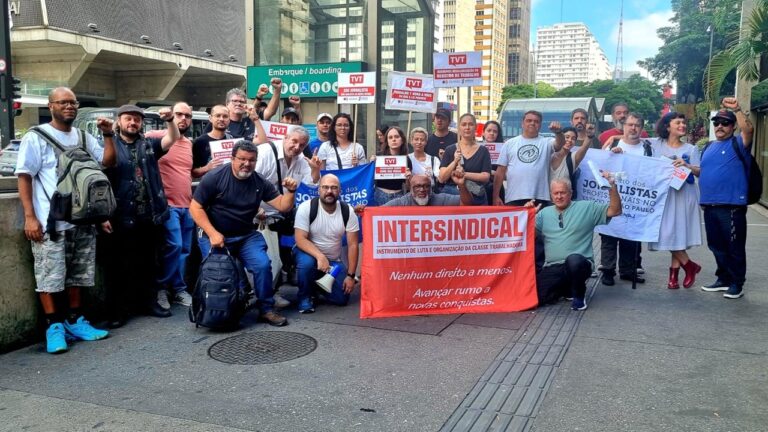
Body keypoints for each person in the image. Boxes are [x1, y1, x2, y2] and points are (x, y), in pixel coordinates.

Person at [15, 87, 115, 353]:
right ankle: (54, 326)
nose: (69, 106)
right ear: (51, 106)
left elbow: (106, 162)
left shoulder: (82, 136)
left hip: (82, 220)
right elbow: (24, 176)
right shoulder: (36, 137)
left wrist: (107, 135)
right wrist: (30, 217)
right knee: (49, 276)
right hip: (51, 223)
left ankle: (75, 320)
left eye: (73, 102)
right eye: (63, 102)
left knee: (78, 276)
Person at [191, 140, 299, 326]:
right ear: (232, 158)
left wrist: (290, 191)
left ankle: (266, 308)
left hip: (245, 235)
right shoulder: (215, 177)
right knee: (218, 273)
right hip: (215, 235)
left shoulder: (259, 181)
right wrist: (213, 233)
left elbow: (283, 206)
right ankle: (218, 308)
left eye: (251, 160)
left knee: (263, 265)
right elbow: (195, 208)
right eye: (242, 159)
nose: (247, 164)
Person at [101, 105, 180, 327]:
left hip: (149, 215)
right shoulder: (110, 144)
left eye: (137, 120)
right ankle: (118, 310)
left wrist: (170, 120)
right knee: (118, 267)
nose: (133, 123)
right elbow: (102, 176)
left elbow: (171, 138)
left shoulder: (149, 144)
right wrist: (103, 215)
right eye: (128, 119)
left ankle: (149, 303)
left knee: (149, 263)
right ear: (119, 121)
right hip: (121, 215)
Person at [534, 175, 623, 311]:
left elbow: (615, 211)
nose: (559, 196)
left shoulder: (587, 207)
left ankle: (579, 297)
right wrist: (527, 214)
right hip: (553, 267)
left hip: (580, 264)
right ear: (551, 195)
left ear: (571, 193)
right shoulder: (543, 214)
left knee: (574, 260)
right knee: (534, 299)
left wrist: (612, 186)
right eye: (555, 193)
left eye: (562, 192)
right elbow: (529, 236)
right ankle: (566, 289)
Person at [699, 97, 754, 299]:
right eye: (717, 123)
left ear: (732, 127)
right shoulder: (708, 147)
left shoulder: (739, 142)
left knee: (734, 247)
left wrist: (738, 110)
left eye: (725, 123)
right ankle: (723, 278)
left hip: (731, 206)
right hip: (710, 206)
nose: (720, 126)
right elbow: (705, 171)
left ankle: (736, 283)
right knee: (716, 246)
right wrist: (688, 168)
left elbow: (748, 130)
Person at [145, 102, 196, 310]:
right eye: (179, 114)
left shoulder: (189, 144)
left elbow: (186, 173)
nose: (183, 119)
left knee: (183, 250)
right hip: (168, 205)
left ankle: (178, 289)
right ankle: (162, 288)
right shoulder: (154, 137)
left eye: (187, 115)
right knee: (173, 246)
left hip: (187, 204)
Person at [648, 112, 702, 289]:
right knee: (665, 233)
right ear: (667, 126)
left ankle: (673, 276)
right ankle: (689, 266)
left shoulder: (691, 149)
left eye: (684, 122)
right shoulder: (656, 145)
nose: (682, 125)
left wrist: (686, 165)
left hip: (684, 194)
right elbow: (634, 138)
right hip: (664, 195)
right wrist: (614, 139)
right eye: (678, 122)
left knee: (677, 233)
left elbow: (700, 172)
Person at [599, 112, 653, 286]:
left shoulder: (647, 148)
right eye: (630, 124)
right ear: (623, 126)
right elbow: (600, 168)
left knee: (631, 236)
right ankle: (607, 270)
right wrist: (611, 156)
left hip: (634, 200)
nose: (633, 128)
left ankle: (628, 270)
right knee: (609, 234)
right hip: (613, 197)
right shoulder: (613, 143)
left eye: (637, 125)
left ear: (642, 128)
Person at [293, 174, 360, 313]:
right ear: (319, 190)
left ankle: (315, 286)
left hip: (333, 262)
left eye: (334, 188)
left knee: (342, 299)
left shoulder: (348, 211)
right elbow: (300, 239)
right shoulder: (306, 207)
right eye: (325, 187)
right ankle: (304, 297)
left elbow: (353, 245)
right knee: (307, 263)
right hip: (308, 254)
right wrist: (320, 257)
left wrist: (351, 276)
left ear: (339, 191)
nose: (329, 191)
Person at [493, 110, 565, 206]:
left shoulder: (546, 142)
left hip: (540, 197)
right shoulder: (509, 143)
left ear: (540, 125)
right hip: (514, 197)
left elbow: (559, 144)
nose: (532, 123)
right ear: (522, 124)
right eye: (529, 120)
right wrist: (495, 196)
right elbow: (500, 172)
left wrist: (559, 132)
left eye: (536, 121)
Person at [438, 113, 491, 204]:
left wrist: (464, 174)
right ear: (459, 127)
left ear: (475, 127)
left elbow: (485, 176)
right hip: (453, 196)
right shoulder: (450, 149)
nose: (467, 127)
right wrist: (455, 161)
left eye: (470, 124)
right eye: (464, 124)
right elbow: (442, 177)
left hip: (476, 196)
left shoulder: (483, 151)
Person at [373, 126, 411, 205]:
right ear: (387, 141)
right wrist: (371, 164)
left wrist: (409, 178)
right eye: (390, 137)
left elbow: (408, 187)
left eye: (396, 137)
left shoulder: (406, 160)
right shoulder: (378, 157)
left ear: (402, 140)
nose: (393, 139)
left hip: (399, 196)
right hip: (380, 194)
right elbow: (370, 178)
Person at [384, 172, 473, 206]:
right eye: (417, 187)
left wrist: (461, 185)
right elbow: (378, 212)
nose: (422, 189)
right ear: (410, 189)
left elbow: (467, 203)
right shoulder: (402, 202)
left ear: (431, 188)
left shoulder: (441, 199)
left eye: (426, 186)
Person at [192, 104, 231, 178]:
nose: (221, 119)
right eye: (218, 116)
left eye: (225, 116)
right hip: (209, 186)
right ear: (210, 118)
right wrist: (207, 168)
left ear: (229, 120)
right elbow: (192, 173)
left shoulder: (232, 140)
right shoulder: (199, 142)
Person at [482, 120, 505, 205]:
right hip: (480, 188)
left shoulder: (503, 149)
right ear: (483, 133)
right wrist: (488, 172)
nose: (491, 133)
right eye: (489, 130)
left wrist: (498, 174)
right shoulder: (476, 148)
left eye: (495, 131)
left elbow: (507, 175)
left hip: (497, 189)